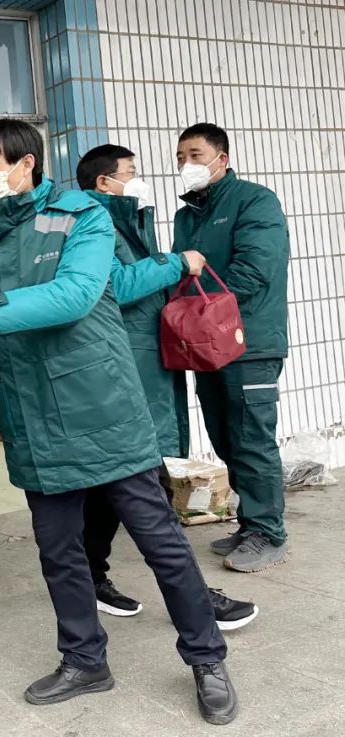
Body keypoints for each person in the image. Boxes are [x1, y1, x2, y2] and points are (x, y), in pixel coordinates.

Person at [0, 119, 237, 725]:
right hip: (33, 418)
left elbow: (77, 294)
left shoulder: (81, 217)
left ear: (26, 163)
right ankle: (85, 660)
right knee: (60, 553)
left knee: (161, 544)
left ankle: (206, 657)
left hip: (101, 409)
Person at [75, 144, 259, 631]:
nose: (139, 179)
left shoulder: (125, 220)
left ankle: (89, 578)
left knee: (110, 491)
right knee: (149, 494)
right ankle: (197, 602)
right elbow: (111, 286)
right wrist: (175, 264)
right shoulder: (94, 223)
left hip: (141, 369)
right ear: (104, 182)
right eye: (131, 172)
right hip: (124, 374)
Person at [173, 123, 290, 573]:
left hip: (249, 344)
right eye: (181, 157)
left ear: (222, 158)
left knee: (251, 439)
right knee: (225, 437)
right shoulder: (187, 216)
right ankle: (251, 524)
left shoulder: (254, 201)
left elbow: (255, 268)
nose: (187, 164)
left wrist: (196, 310)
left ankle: (269, 533)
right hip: (206, 347)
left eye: (196, 155)